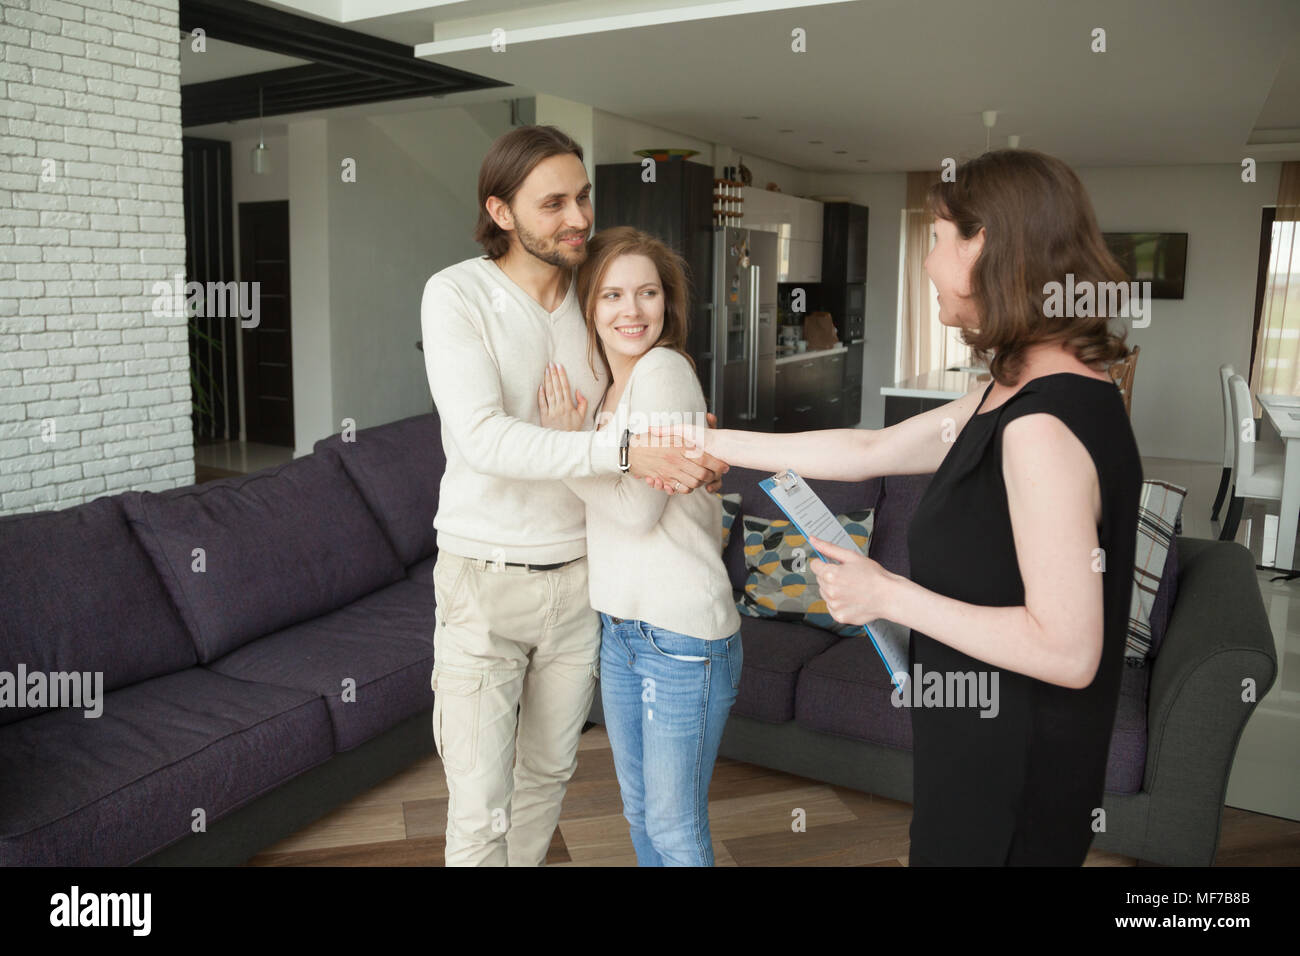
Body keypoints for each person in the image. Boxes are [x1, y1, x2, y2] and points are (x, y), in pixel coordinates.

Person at [651, 149, 1143, 866]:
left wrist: (886, 593)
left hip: (1013, 767)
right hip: (975, 742)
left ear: (990, 249)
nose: (929, 263)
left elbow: (1069, 651)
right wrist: (708, 439)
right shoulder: (1015, 392)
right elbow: (869, 450)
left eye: (938, 240)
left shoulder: (1041, 426)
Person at [419, 125, 729, 866]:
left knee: (548, 777)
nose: (579, 218)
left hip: (584, 584)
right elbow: (486, 438)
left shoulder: (596, 298)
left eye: (583, 197)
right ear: (501, 212)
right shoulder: (456, 293)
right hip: (482, 581)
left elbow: (647, 402)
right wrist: (627, 448)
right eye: (553, 203)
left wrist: (697, 449)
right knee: (479, 807)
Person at [536, 226, 743, 866]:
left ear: (667, 302)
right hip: (622, 630)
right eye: (613, 296)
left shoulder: (664, 370)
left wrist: (566, 450)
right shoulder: (606, 390)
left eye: (648, 293)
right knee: (640, 815)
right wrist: (583, 446)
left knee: (676, 829)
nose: (632, 311)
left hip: (680, 637)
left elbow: (635, 511)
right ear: (589, 308)